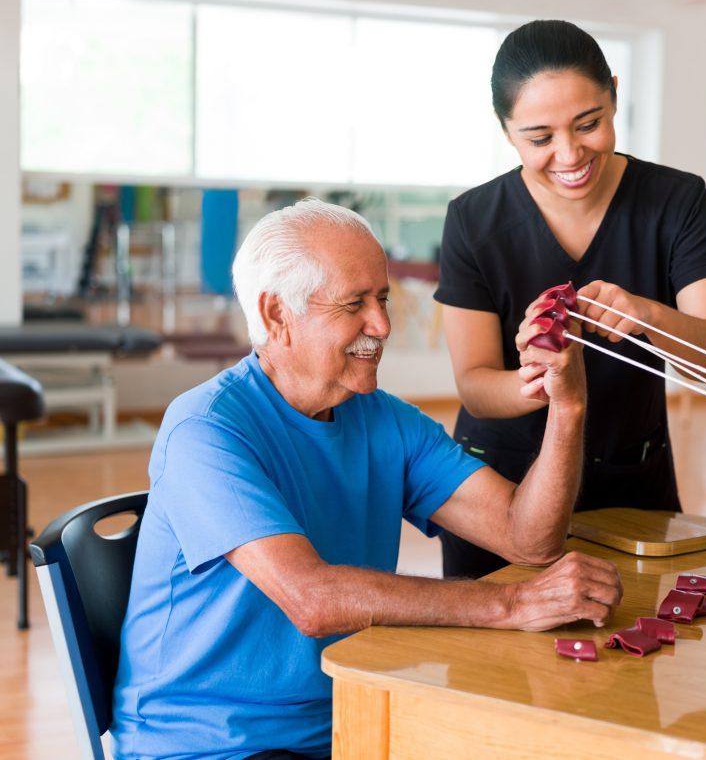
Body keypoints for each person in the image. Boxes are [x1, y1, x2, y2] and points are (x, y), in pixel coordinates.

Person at [111, 198, 621, 760]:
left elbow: (529, 539)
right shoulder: (205, 430)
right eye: (355, 303)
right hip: (212, 745)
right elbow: (313, 599)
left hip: (352, 718)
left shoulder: (384, 419)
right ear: (278, 314)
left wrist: (567, 408)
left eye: (382, 298)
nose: (381, 325)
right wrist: (511, 605)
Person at [435, 19, 706, 579]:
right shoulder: (473, 220)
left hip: (631, 478)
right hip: (501, 487)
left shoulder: (677, 203)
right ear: (506, 131)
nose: (570, 154)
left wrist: (648, 315)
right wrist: (537, 380)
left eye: (589, 123)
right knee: (493, 663)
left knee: (635, 648)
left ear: (615, 96)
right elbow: (476, 387)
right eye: (539, 137)